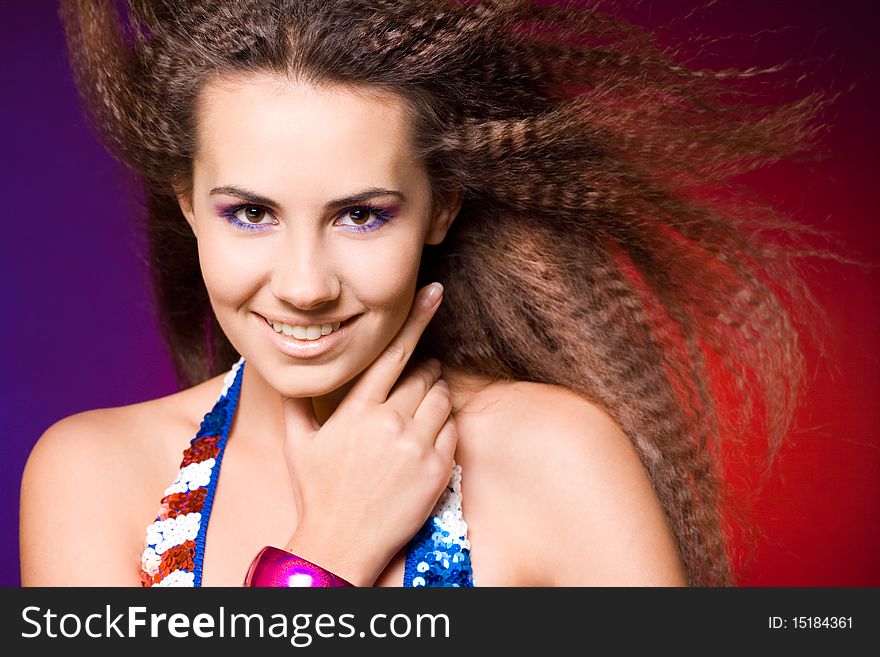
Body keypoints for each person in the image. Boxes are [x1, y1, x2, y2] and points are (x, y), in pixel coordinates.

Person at [20, 0, 831, 587]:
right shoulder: (94, 475)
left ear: (441, 204)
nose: (305, 285)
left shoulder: (556, 460)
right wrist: (328, 549)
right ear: (190, 204)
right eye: (252, 212)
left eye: (362, 214)